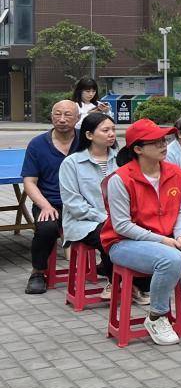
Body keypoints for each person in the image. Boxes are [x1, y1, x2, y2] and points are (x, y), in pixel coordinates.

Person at [103, 119, 181, 345]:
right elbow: (122, 226)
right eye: (155, 142)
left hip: (169, 237)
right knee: (171, 259)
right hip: (123, 242)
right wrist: (164, 240)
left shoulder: (175, 172)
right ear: (137, 149)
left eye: (164, 140)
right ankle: (156, 316)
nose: (163, 145)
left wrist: (179, 236)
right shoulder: (120, 179)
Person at [22, 100, 79, 294]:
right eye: (57, 114)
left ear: (78, 118)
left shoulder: (86, 141)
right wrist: (45, 206)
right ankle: (38, 272)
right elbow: (29, 182)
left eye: (68, 115)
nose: (62, 119)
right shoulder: (37, 144)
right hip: (50, 203)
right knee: (46, 228)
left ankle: (108, 270)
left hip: (80, 204)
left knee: (107, 228)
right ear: (52, 116)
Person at [58, 111, 118, 287]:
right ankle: (116, 282)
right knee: (110, 236)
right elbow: (74, 204)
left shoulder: (120, 159)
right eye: (105, 130)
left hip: (117, 219)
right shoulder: (72, 163)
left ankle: (133, 282)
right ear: (89, 135)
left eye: (113, 129)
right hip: (83, 222)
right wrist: (104, 218)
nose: (111, 134)